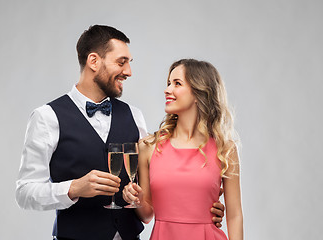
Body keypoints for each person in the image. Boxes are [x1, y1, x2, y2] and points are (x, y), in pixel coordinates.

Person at [15, 25, 225, 240]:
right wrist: (74, 188)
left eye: (129, 63)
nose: (128, 72)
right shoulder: (47, 117)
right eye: (121, 62)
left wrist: (202, 207)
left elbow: (155, 188)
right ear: (94, 61)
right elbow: (24, 193)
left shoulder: (134, 115)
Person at [123, 59, 243, 240]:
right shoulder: (148, 147)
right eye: (168, 83)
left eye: (177, 84)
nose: (167, 89)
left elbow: (234, 216)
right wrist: (137, 200)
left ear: (199, 91)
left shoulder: (225, 149)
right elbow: (147, 215)